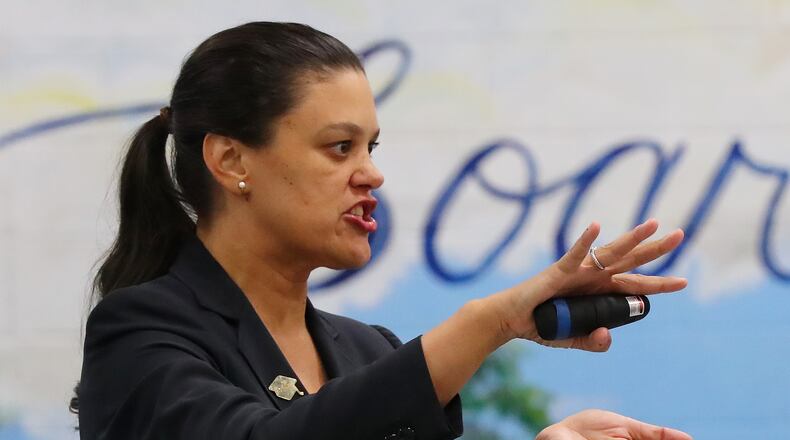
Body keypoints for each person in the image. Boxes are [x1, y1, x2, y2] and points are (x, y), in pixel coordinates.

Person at [73, 22, 692, 440]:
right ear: (231, 161)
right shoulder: (140, 335)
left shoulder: (368, 350)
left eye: (370, 146)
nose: (372, 174)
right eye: (339, 147)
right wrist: (490, 322)